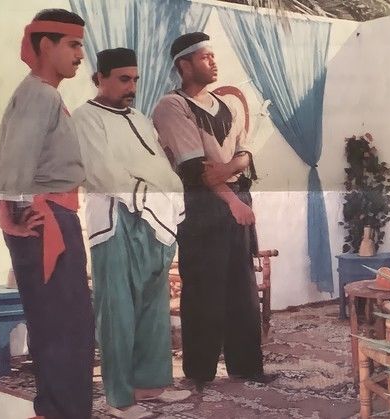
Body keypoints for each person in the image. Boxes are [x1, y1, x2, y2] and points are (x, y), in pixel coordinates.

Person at [72, 48, 189, 418]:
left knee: (153, 305)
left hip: (154, 217)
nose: (132, 87)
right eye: (124, 79)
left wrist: (169, 196)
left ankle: (149, 385)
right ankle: (119, 398)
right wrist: (150, 197)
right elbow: (102, 172)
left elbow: (159, 164)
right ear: (100, 79)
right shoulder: (85, 118)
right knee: (117, 310)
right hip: (114, 220)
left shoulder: (139, 118)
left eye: (135, 79)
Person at [0, 8, 94, 419]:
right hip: (45, 218)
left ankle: (57, 410)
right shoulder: (40, 94)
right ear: (46, 45)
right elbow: (16, 159)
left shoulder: (44, 93)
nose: (81, 55)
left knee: (62, 324)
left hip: (52, 215)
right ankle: (62, 411)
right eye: (73, 45)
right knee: (65, 326)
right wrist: (9, 214)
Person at [152, 32, 269, 390]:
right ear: (184, 65)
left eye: (213, 56)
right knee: (204, 289)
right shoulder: (172, 107)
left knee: (242, 289)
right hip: (201, 208)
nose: (213, 62)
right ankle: (200, 372)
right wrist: (233, 194)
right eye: (205, 57)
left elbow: (243, 158)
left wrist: (232, 167)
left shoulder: (226, 105)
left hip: (236, 203)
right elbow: (197, 171)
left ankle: (246, 367)